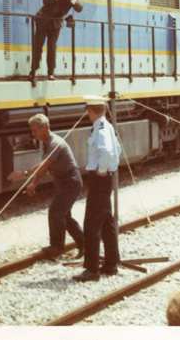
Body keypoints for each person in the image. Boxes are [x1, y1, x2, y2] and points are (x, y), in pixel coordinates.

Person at [8, 114, 84, 260]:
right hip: (64, 182)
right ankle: (84, 244)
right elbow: (44, 168)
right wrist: (34, 183)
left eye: (35, 130)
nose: (33, 133)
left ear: (45, 128)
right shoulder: (47, 143)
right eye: (32, 130)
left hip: (71, 182)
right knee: (64, 216)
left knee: (56, 212)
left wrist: (24, 173)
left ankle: (56, 248)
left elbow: (44, 164)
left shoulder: (56, 143)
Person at [74, 96, 122, 282]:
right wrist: (110, 169)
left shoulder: (100, 129)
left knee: (92, 224)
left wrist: (102, 170)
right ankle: (111, 263)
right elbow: (116, 149)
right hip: (105, 179)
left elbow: (108, 151)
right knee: (107, 222)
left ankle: (91, 269)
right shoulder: (106, 126)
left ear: (90, 110)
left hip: (99, 179)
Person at [30, 0, 82, 80]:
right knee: (38, 46)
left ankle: (51, 73)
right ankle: (33, 71)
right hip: (43, 20)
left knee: (52, 48)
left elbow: (79, 8)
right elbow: (45, 1)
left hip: (56, 23)